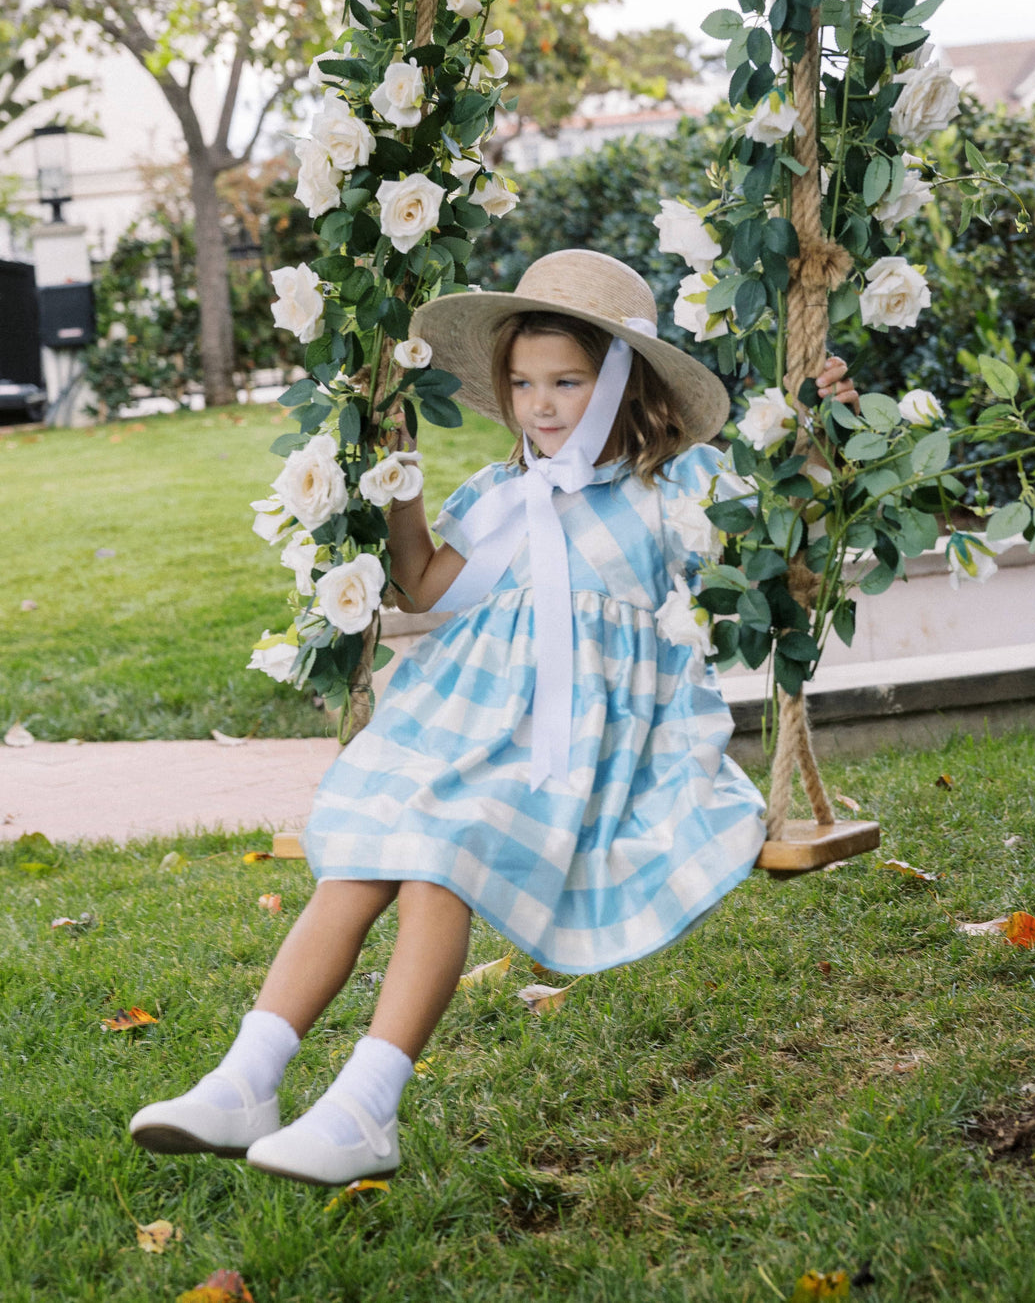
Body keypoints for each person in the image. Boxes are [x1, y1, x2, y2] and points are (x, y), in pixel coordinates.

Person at [129, 249, 858, 1188]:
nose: (542, 404)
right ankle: (246, 1078)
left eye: (567, 381)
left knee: (444, 855)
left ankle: (365, 1106)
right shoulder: (501, 496)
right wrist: (399, 486)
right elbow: (428, 582)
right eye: (523, 384)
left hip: (601, 748)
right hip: (463, 729)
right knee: (359, 862)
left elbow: (783, 556)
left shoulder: (677, 490)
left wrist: (814, 435)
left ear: (627, 387)